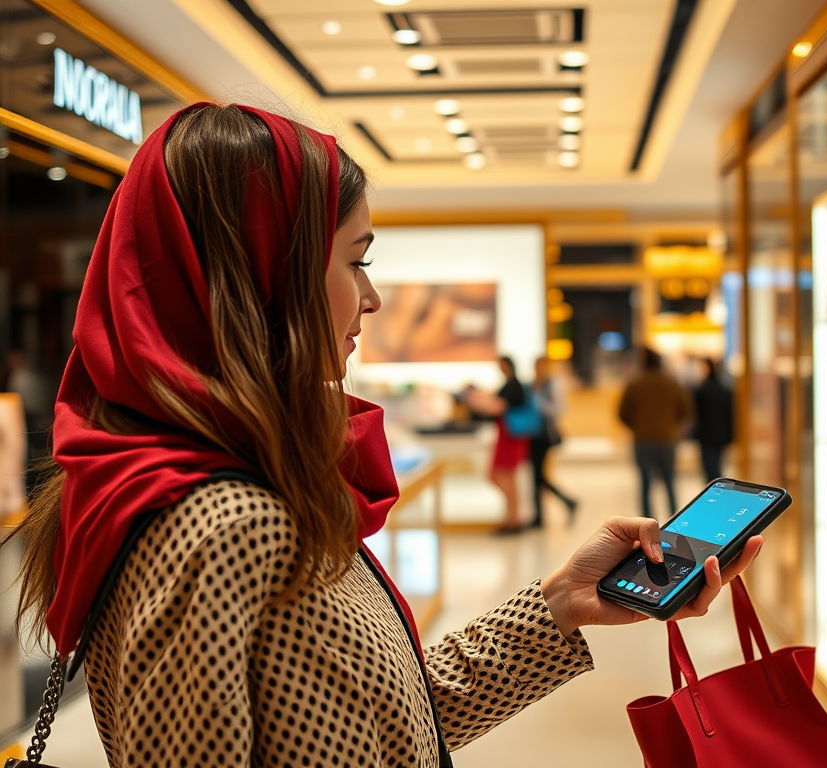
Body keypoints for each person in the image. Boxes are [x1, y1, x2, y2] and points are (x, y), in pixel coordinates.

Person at [5, 104, 762, 768]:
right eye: (355, 261)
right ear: (265, 277)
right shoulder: (224, 526)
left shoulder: (231, 487)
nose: (369, 297)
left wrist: (561, 600)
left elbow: (384, 724)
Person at [618, 347, 694, 519]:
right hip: (667, 440)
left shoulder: (634, 384)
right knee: (669, 480)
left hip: (642, 440)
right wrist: (672, 426)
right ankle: (674, 519)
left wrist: (636, 426)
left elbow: (622, 413)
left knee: (645, 483)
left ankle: (646, 522)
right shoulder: (672, 383)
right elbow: (686, 410)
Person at [464, 355, 531, 533]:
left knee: (500, 476)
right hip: (509, 435)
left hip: (510, 436)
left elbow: (498, 407)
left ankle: (513, 518)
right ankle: (512, 518)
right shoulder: (511, 385)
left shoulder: (512, 386)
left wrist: (475, 404)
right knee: (508, 478)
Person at [529, 356, 577, 527]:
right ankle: (539, 515)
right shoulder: (534, 384)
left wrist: (540, 405)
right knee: (535, 475)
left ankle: (567, 502)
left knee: (538, 475)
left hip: (544, 435)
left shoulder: (552, 385)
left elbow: (560, 409)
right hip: (531, 433)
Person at [692, 357, 734, 483]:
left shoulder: (701, 390)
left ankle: (714, 494)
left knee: (710, 469)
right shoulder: (725, 390)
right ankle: (717, 493)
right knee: (716, 466)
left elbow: (696, 415)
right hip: (721, 434)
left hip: (706, 435)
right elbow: (730, 415)